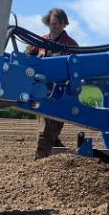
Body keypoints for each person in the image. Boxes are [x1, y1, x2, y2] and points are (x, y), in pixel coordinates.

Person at [26, 8, 78, 160]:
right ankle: (67, 159)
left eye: (60, 23)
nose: (56, 26)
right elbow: (26, 56)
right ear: (48, 23)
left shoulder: (70, 45)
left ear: (64, 24)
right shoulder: (40, 42)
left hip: (57, 96)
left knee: (45, 132)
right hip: (39, 93)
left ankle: (38, 163)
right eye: (53, 23)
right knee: (50, 133)